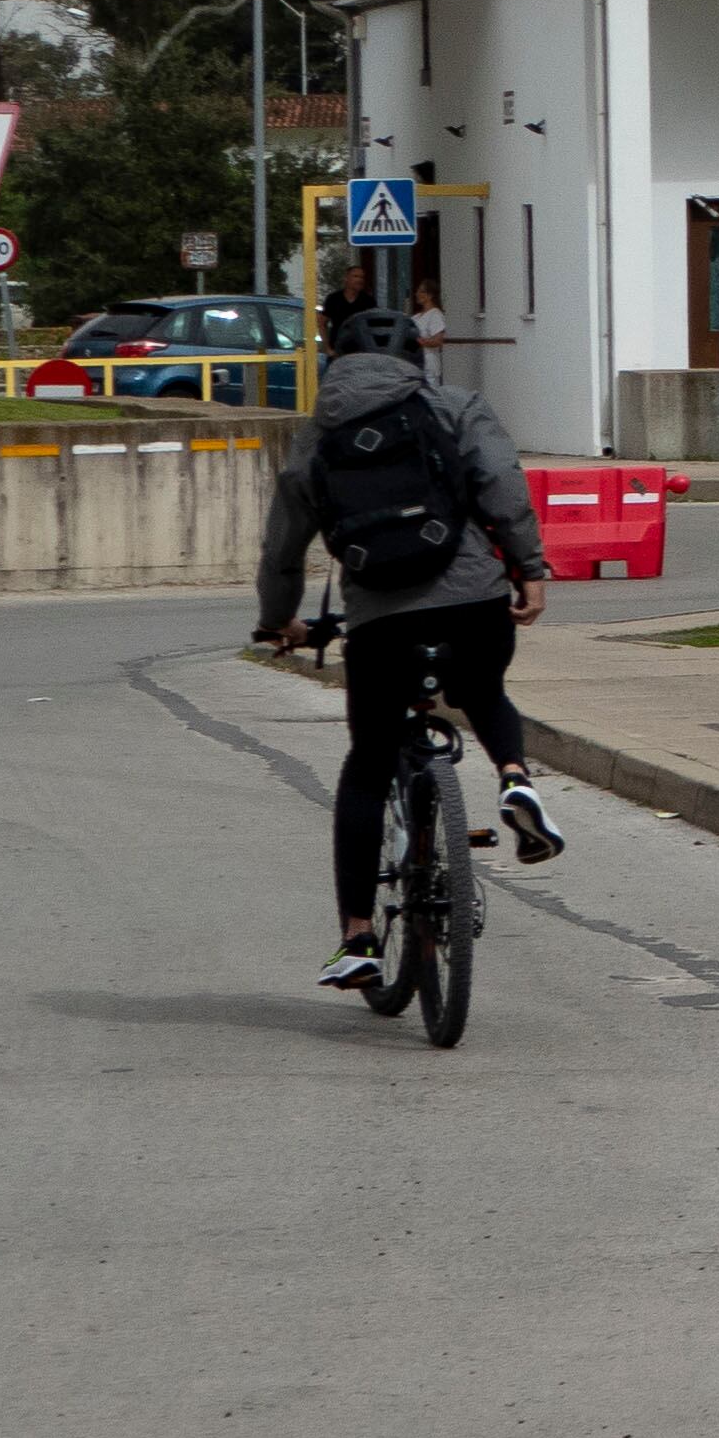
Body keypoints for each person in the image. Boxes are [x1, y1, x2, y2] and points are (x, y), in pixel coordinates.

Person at [253, 304, 562, 992]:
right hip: (476, 594)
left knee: (368, 761)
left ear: (336, 358)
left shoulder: (317, 434)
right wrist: (530, 568)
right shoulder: (456, 405)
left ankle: (358, 938)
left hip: (380, 617)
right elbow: (503, 486)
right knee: (481, 689)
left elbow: (282, 546)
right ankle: (515, 778)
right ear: (418, 357)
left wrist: (281, 621)